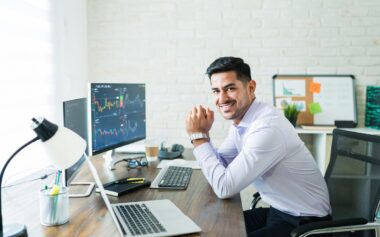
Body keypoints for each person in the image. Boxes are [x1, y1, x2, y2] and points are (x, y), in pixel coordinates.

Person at [185, 57, 331, 237]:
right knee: (210, 227)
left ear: (251, 87)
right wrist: (204, 135)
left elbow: (224, 187)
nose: (222, 98)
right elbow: (221, 164)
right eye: (216, 91)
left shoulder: (266, 128)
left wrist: (198, 138)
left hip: (305, 225)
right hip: (279, 212)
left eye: (230, 88)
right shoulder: (244, 122)